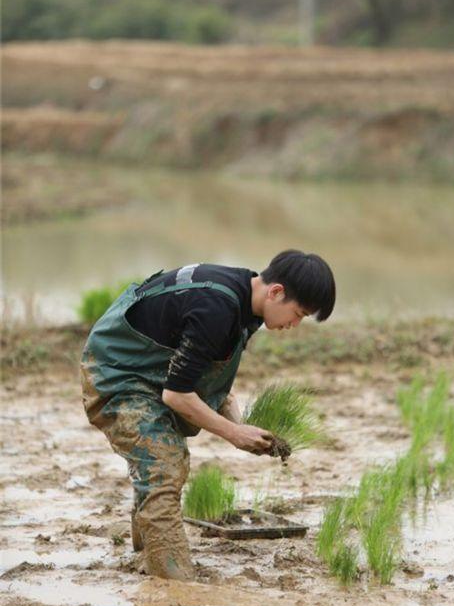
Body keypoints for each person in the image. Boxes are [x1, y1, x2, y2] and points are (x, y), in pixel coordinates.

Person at [80, 249, 336, 581]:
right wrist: (233, 434)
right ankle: (172, 582)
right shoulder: (216, 307)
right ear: (276, 292)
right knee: (163, 462)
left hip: (151, 372)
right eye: (298, 314)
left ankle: (147, 556)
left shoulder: (248, 299)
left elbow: (208, 378)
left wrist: (242, 424)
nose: (294, 325)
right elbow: (176, 394)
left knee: (160, 461)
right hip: (116, 373)